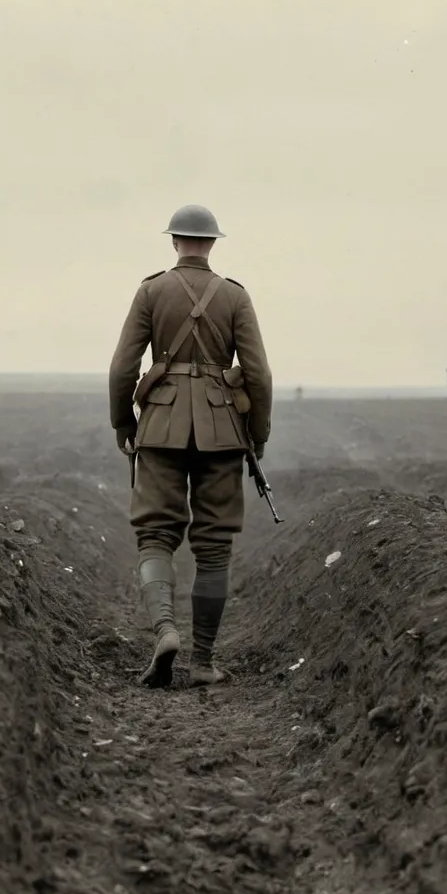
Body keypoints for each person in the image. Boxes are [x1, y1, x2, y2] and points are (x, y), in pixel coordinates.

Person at [108, 204, 273, 688]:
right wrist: (256, 437)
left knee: (155, 535)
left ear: (175, 241)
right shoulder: (235, 296)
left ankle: (164, 630)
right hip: (223, 433)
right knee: (214, 545)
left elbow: (122, 368)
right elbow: (259, 374)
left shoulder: (151, 291)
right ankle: (203, 662)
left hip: (159, 428)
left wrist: (124, 422)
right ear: (213, 243)